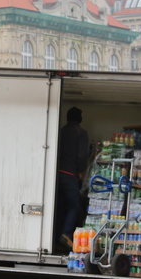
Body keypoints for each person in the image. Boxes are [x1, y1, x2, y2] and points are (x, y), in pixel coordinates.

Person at [55, 107, 90, 251]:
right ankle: (66, 234)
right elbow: (82, 155)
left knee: (60, 206)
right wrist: (81, 170)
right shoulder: (81, 133)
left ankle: (56, 235)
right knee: (74, 205)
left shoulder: (61, 131)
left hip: (57, 174)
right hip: (70, 174)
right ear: (79, 118)